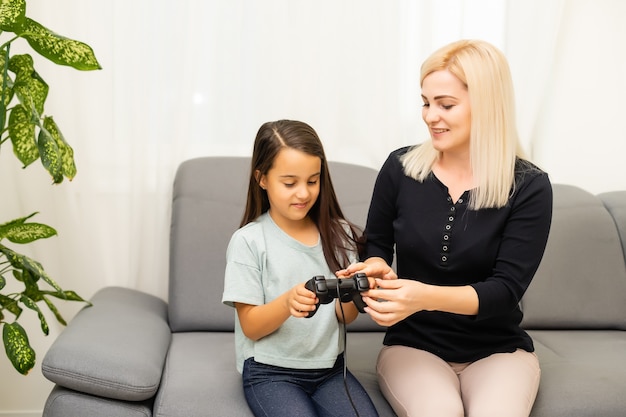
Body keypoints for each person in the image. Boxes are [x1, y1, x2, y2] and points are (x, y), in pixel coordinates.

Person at [338, 39, 553, 417]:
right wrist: (374, 271)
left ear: (487, 106)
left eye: (446, 105)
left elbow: (504, 292)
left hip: (498, 350)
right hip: (414, 347)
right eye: (426, 102)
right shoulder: (399, 169)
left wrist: (422, 295)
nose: (430, 116)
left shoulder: (529, 186)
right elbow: (375, 251)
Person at [222, 120, 379, 417]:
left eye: (313, 181)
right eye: (290, 183)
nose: (304, 194)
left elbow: (346, 317)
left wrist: (350, 293)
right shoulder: (249, 241)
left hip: (331, 370)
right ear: (262, 178)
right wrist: (287, 301)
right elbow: (251, 326)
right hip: (270, 373)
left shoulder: (339, 234)